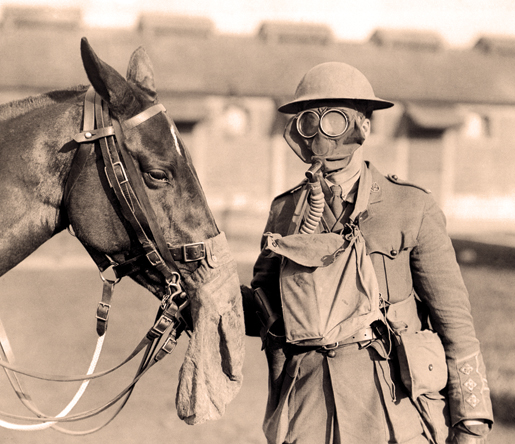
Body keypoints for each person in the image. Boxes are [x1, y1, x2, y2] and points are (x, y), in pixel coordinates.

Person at [241, 62, 494, 444]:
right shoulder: (284, 212)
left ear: (364, 126)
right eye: (310, 122)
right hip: (310, 410)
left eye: (337, 119)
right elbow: (264, 312)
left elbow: (455, 321)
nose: (324, 136)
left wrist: (470, 420)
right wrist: (198, 293)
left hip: (393, 406)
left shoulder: (410, 206)